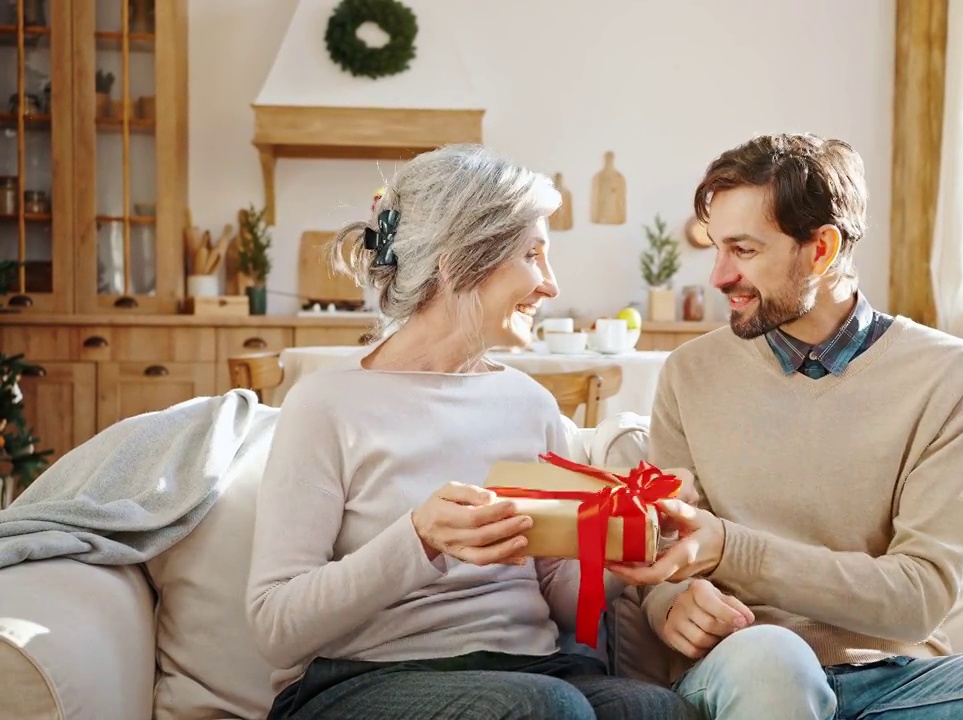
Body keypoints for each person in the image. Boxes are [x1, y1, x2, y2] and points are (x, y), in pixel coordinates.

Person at [608, 133, 963, 720]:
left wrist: (732, 550)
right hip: (747, 667)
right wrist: (672, 605)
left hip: (895, 684)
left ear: (820, 249)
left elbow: (919, 598)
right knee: (774, 657)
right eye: (716, 248)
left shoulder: (950, 375)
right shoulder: (689, 375)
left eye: (741, 250)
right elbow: (661, 554)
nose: (718, 276)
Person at [245, 144, 696, 720]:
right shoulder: (325, 405)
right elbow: (274, 626)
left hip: (532, 671)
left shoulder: (529, 404)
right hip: (365, 682)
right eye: (532, 255)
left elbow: (563, 601)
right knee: (548, 709)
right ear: (458, 264)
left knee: (655, 711)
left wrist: (626, 543)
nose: (551, 285)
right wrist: (420, 539)